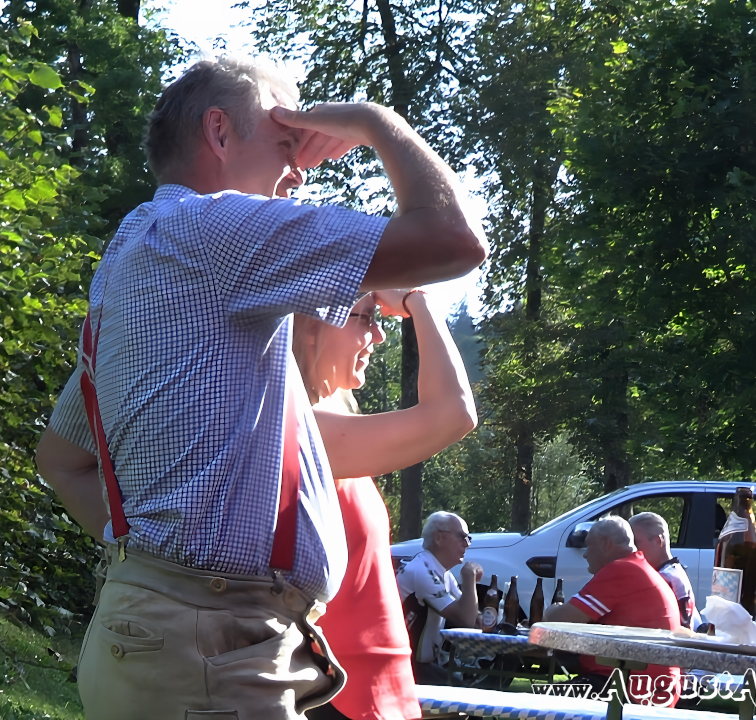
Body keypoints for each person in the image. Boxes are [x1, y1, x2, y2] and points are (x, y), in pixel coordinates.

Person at [33, 57, 487, 720]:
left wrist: (150, 565)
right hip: (209, 651)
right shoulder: (213, 228)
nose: (301, 169)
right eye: (286, 141)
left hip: (162, 638)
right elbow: (454, 239)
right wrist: (374, 122)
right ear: (218, 133)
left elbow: (61, 458)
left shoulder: (135, 258)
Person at [292, 288, 477, 720]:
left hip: (373, 686)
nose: (379, 335)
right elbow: (455, 413)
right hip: (335, 692)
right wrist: (417, 300)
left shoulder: (331, 426)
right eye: (364, 318)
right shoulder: (303, 429)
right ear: (314, 326)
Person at [543, 516, 682, 707]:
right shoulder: (637, 567)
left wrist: (552, 610)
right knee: (547, 697)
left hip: (631, 686)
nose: (585, 554)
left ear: (606, 544)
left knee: (538, 703)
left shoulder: (621, 570)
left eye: (589, 546)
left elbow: (558, 620)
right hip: (648, 685)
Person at [397, 511, 483, 685]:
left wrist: (481, 617)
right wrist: (469, 578)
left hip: (421, 664)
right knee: (465, 698)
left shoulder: (442, 572)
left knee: (466, 692)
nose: (467, 544)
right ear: (438, 537)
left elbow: (474, 619)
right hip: (405, 666)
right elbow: (465, 619)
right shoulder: (422, 571)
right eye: (461, 537)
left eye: (469, 539)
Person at [629, 512, 701, 631]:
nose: (632, 549)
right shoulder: (674, 571)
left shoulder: (664, 578)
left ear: (658, 541)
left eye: (635, 543)